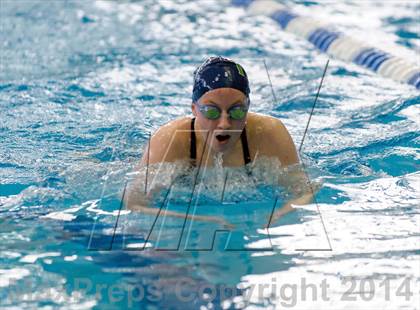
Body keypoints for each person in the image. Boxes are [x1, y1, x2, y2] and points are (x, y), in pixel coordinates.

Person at [126, 56, 314, 228]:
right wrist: (204, 220)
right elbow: (134, 203)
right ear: (194, 109)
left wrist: (281, 214)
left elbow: (304, 190)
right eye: (212, 111)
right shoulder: (170, 140)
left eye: (237, 111)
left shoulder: (269, 134)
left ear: (248, 108)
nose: (224, 124)